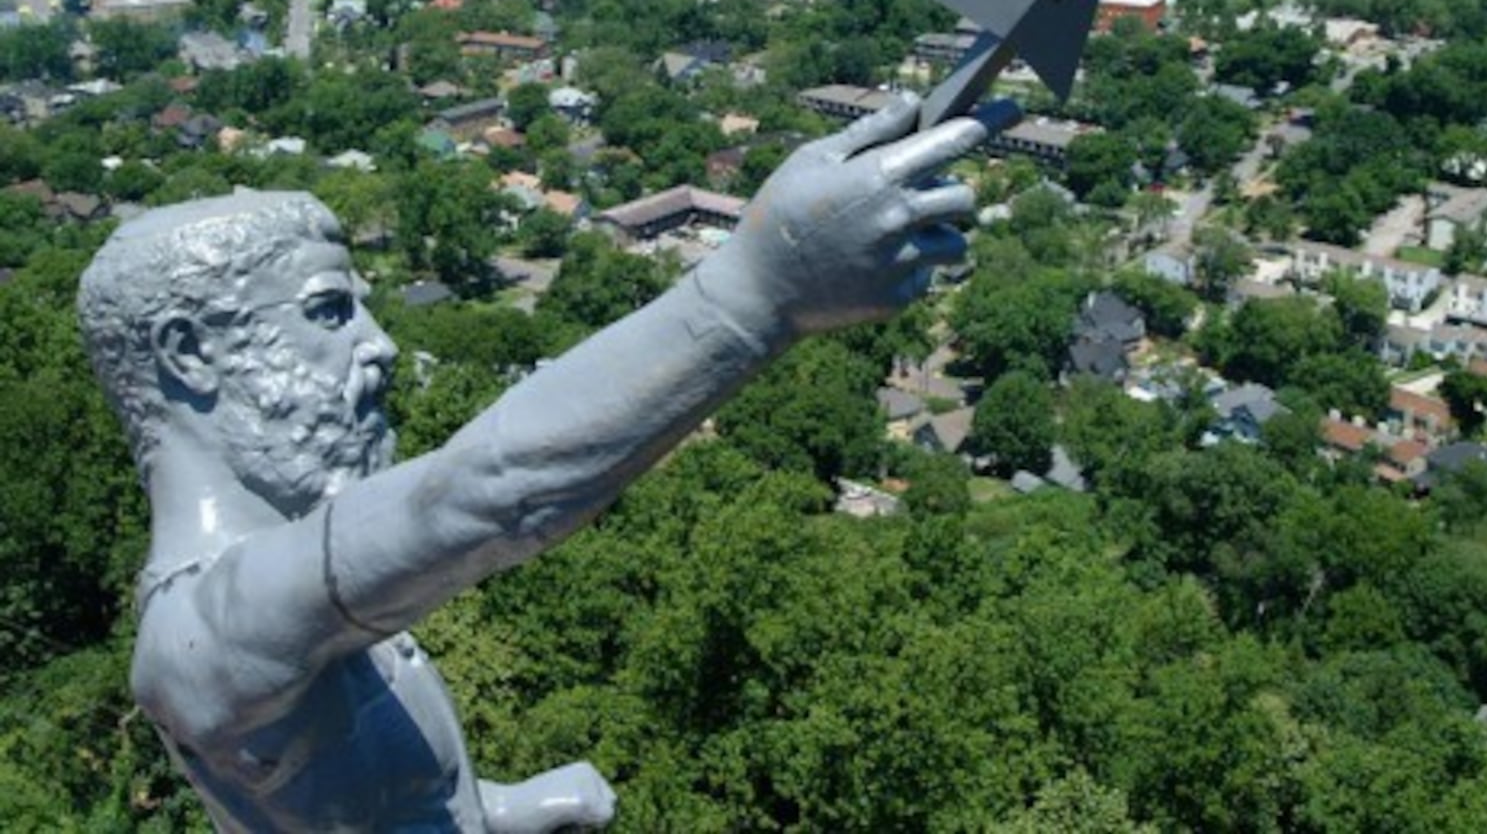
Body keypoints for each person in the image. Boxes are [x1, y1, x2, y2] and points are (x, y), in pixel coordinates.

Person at [76, 92, 1013, 831]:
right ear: (187, 353)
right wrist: (758, 292)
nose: (381, 346)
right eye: (329, 313)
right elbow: (485, 492)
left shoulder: (310, 610)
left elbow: (356, 810)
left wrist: (500, 809)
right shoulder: (204, 640)